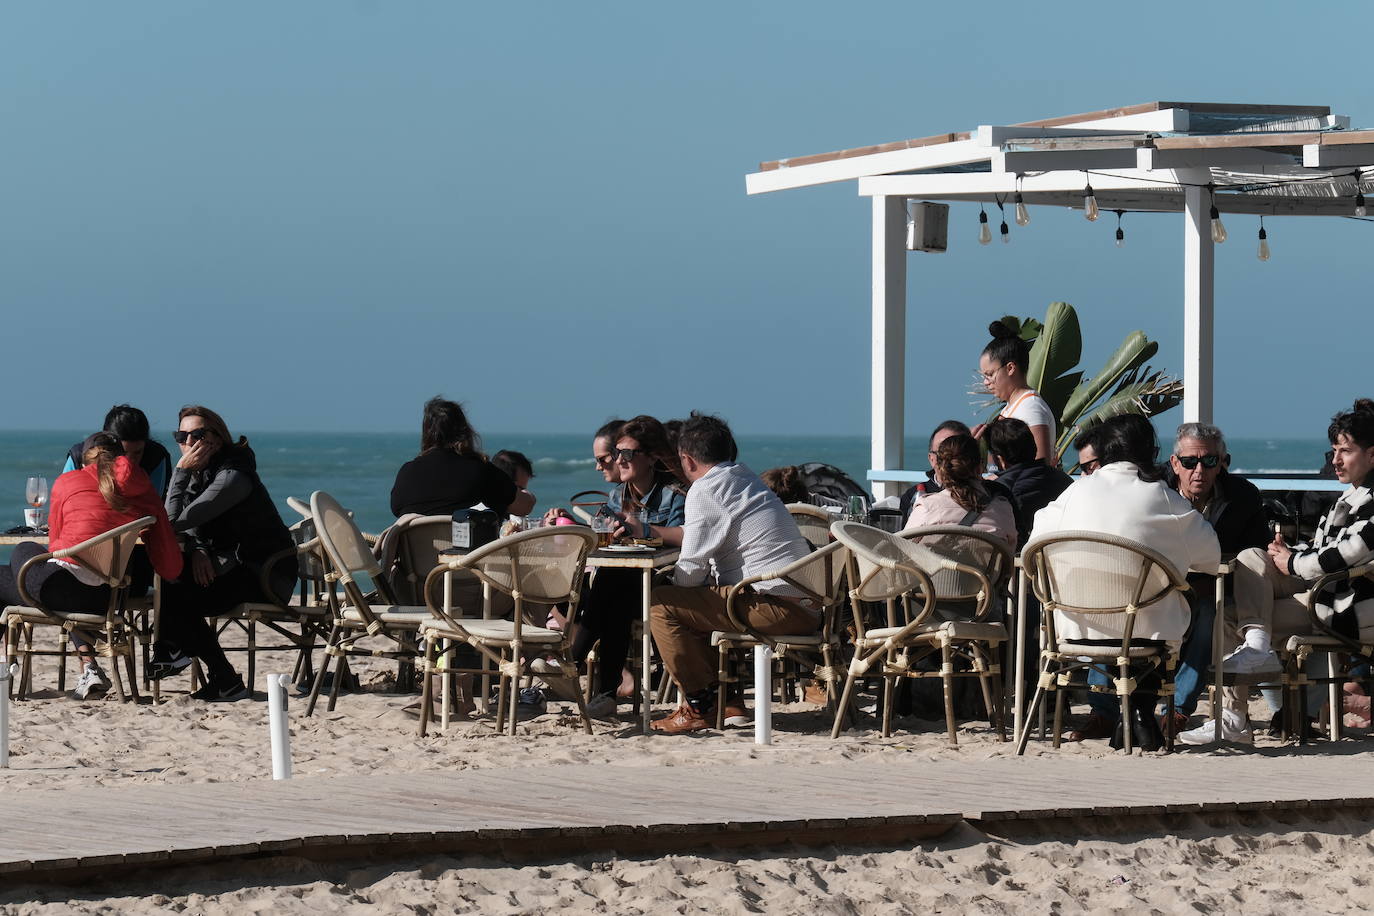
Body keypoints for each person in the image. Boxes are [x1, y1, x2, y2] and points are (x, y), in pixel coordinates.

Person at [1181, 399, 1374, 745]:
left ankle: (1234, 718)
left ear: (1372, 455)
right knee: (1252, 556)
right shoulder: (1351, 496)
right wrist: (1284, 554)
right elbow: (1320, 550)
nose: (1335, 460)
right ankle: (1255, 647)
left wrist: (1291, 562)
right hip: (1322, 592)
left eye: (1345, 451)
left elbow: (1344, 557)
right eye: (1334, 450)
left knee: (1227, 617)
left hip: (1346, 607)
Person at [1030, 413, 1220, 749]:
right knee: (1182, 606)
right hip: (1144, 632)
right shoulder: (1160, 497)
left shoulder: (1074, 493)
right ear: (1151, 452)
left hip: (1078, 628)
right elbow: (1210, 557)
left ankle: (1129, 713)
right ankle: (1141, 711)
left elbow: (1035, 543)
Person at [648, 413, 814, 733]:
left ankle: (701, 706)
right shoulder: (744, 478)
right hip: (805, 605)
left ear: (686, 458)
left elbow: (692, 568)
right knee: (700, 603)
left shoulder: (706, 489)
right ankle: (728, 701)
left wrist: (674, 583)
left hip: (773, 606)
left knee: (661, 605)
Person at [0, 433, 182, 699]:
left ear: (83, 461)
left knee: (23, 551)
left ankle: (4, 664)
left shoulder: (67, 482)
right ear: (120, 457)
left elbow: (55, 546)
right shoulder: (143, 486)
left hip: (63, 592)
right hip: (110, 598)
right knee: (11, 575)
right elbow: (168, 558)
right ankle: (88, 667)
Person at [151, 406, 298, 702]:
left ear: (218, 439)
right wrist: (198, 549)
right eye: (182, 435)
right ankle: (206, 669)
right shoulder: (203, 473)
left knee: (176, 590)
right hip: (232, 567)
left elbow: (171, 522)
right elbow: (185, 524)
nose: (189, 443)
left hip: (266, 573)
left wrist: (179, 472)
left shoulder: (233, 476)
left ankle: (175, 651)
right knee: (171, 583)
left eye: (198, 435)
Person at [560, 416, 687, 718]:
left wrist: (643, 531)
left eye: (627, 454)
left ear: (653, 455)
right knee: (613, 590)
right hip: (626, 586)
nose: (620, 460)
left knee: (611, 587)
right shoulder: (619, 494)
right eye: (617, 453)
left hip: (664, 583)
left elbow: (685, 542)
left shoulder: (675, 493)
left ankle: (573, 664)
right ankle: (604, 692)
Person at [1152, 422, 1269, 734]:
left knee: (1208, 615)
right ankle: (1106, 710)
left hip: (1213, 589)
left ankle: (1177, 709)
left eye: (1209, 461)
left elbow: (1253, 555)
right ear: (1175, 463)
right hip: (1157, 589)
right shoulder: (1154, 492)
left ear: (1222, 462)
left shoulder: (1242, 497)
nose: (1199, 469)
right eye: (1190, 462)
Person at [391, 398, 535, 519]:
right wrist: (527, 494)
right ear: (465, 431)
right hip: (472, 553)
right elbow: (524, 507)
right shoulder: (480, 471)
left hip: (418, 553)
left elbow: (397, 511)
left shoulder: (406, 473)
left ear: (426, 433)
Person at [903, 433, 1017, 552]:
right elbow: (1010, 552)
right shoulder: (1001, 509)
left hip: (935, 571)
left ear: (941, 468)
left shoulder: (927, 508)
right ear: (980, 467)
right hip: (984, 571)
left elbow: (902, 551)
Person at [973, 321, 1056, 464]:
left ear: (1010, 368)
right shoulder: (1015, 406)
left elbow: (1040, 468)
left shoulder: (1031, 408)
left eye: (990, 374)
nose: (985, 382)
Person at [986, 417, 1072, 546]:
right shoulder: (1066, 481)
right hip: (1065, 553)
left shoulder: (1001, 491)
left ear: (1000, 460)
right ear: (1034, 448)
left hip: (1024, 560)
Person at [61, 405, 173, 498]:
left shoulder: (156, 457)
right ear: (105, 444)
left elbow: (154, 506)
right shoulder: (78, 456)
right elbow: (63, 498)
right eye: (122, 453)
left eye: (137, 453)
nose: (129, 462)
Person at [898, 420, 972, 524]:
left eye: (958, 454)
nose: (950, 460)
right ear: (931, 458)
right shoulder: (913, 496)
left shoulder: (990, 494)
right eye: (943, 453)